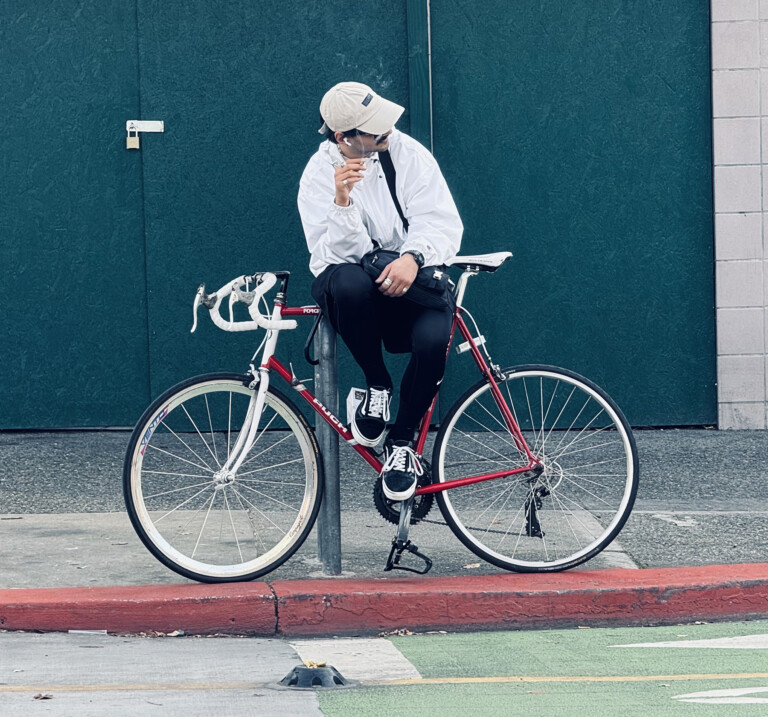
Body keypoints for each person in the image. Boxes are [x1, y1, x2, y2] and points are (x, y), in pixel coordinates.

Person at [298, 81, 463, 502]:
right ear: (343, 138)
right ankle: (377, 387)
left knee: (432, 340)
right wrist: (343, 201)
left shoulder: (407, 154)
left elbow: (441, 221)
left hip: (415, 283)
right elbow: (334, 255)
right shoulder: (319, 176)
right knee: (346, 280)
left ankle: (401, 444)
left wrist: (413, 258)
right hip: (361, 295)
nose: (388, 131)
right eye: (375, 129)